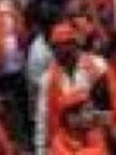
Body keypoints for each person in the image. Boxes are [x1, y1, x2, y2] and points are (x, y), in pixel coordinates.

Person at [35, 22, 108, 153]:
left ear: (75, 45)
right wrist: (40, 150)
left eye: (67, 45)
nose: (62, 51)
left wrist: (90, 118)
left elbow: (110, 107)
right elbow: (42, 119)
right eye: (57, 48)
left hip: (98, 139)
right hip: (65, 144)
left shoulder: (98, 66)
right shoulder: (47, 80)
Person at [50, 88, 111, 155]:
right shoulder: (58, 145)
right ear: (71, 118)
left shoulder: (96, 136)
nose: (93, 115)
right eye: (88, 111)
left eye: (92, 110)